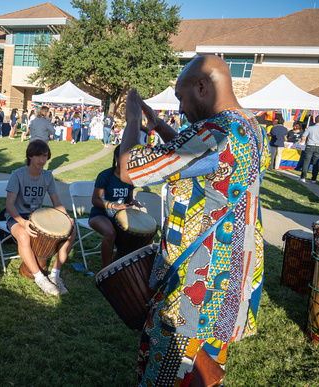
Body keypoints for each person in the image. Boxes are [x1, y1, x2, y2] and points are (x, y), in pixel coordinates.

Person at [119, 55, 269, 386]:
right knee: (206, 359)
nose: (182, 109)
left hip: (195, 283)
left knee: (172, 369)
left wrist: (132, 122)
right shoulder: (252, 129)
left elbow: (129, 171)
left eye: (181, 98)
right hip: (230, 277)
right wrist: (159, 127)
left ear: (201, 86)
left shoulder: (217, 131)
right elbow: (200, 162)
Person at [5, 140, 76, 296]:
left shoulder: (48, 176)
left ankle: (55, 275)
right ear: (30, 156)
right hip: (16, 215)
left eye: (44, 156)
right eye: (38, 156)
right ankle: (40, 278)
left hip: (37, 216)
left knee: (72, 231)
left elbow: (57, 203)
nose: (42, 160)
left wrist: (67, 217)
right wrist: (22, 222)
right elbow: (9, 205)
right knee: (23, 236)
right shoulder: (17, 174)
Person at [88, 146, 139, 267]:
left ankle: (115, 263)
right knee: (110, 233)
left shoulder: (130, 178)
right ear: (116, 158)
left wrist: (133, 202)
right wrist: (111, 205)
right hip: (100, 214)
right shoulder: (105, 175)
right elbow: (95, 200)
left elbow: (129, 198)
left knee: (132, 237)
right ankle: (106, 270)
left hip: (120, 217)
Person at [299, 115, 319, 183]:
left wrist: (302, 141)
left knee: (306, 161)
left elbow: (304, 137)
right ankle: (314, 179)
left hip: (310, 145)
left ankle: (303, 177)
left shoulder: (310, 128)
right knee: (316, 162)